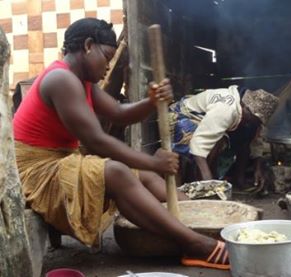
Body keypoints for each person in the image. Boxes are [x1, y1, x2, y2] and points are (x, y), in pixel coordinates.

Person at [13, 18, 230, 270]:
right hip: (34, 173)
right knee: (117, 172)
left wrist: (151, 101)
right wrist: (153, 160)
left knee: (145, 176)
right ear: (88, 46)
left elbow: (118, 112)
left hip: (57, 161)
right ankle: (195, 244)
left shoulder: (82, 81)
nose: (108, 66)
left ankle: (199, 220)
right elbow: (97, 141)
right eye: (107, 56)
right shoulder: (61, 79)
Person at [169, 85, 279, 191]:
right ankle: (197, 183)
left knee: (245, 134)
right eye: (254, 120)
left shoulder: (249, 117)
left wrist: (258, 168)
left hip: (206, 123)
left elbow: (254, 143)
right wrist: (209, 182)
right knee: (219, 141)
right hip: (181, 116)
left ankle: (238, 180)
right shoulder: (226, 109)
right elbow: (199, 145)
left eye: (258, 122)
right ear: (245, 107)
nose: (253, 124)